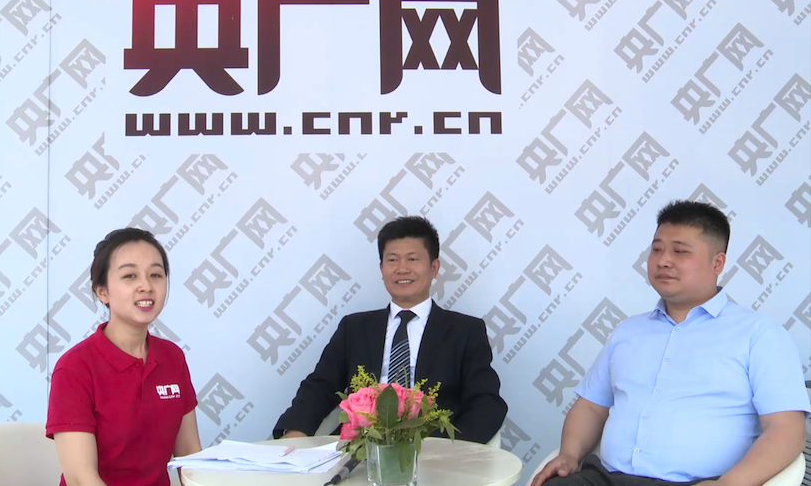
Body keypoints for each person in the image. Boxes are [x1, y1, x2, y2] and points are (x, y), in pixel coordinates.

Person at [532, 200, 810, 486]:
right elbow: (592, 407)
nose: (663, 260)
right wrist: (569, 454)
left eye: (680, 251)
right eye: (657, 249)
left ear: (717, 263)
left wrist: (729, 484)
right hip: (605, 478)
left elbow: (786, 430)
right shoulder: (629, 331)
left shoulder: (760, 335)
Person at [273, 215, 507, 443]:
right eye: (393, 260)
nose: (402, 269)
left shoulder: (465, 331)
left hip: (432, 449)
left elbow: (486, 401)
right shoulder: (354, 328)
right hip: (360, 446)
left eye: (412, 259)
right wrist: (295, 431)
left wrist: (452, 450)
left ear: (434, 267)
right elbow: (320, 385)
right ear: (381, 268)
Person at [46, 228, 201, 486]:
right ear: (102, 292)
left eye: (156, 275)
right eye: (130, 276)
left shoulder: (172, 357)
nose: (146, 286)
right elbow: (81, 479)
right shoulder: (75, 368)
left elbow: (190, 455)